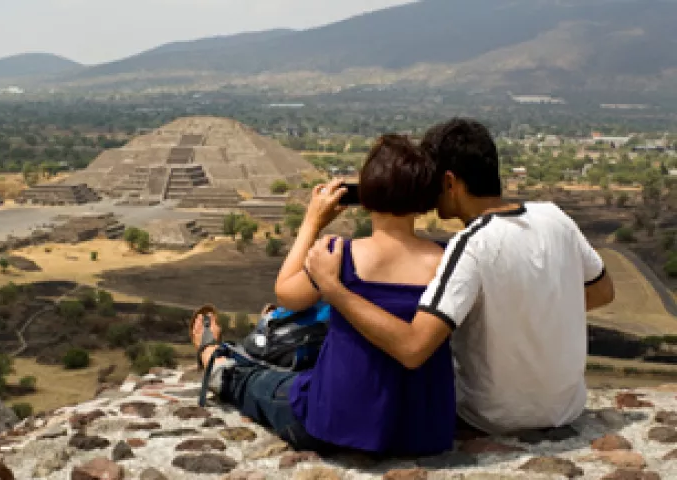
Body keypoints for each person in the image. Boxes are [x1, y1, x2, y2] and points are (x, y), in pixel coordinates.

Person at [304, 118, 616, 436]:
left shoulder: (470, 245)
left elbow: (413, 349)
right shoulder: (555, 217)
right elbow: (603, 292)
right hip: (566, 407)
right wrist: (527, 315)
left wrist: (334, 288)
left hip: (490, 415)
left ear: (450, 183)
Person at [190, 135, 456, 455]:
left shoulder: (340, 256)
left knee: (258, 382)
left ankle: (213, 359)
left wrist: (312, 222)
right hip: (422, 431)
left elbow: (287, 291)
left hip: (334, 424)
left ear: (366, 196)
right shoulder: (449, 261)